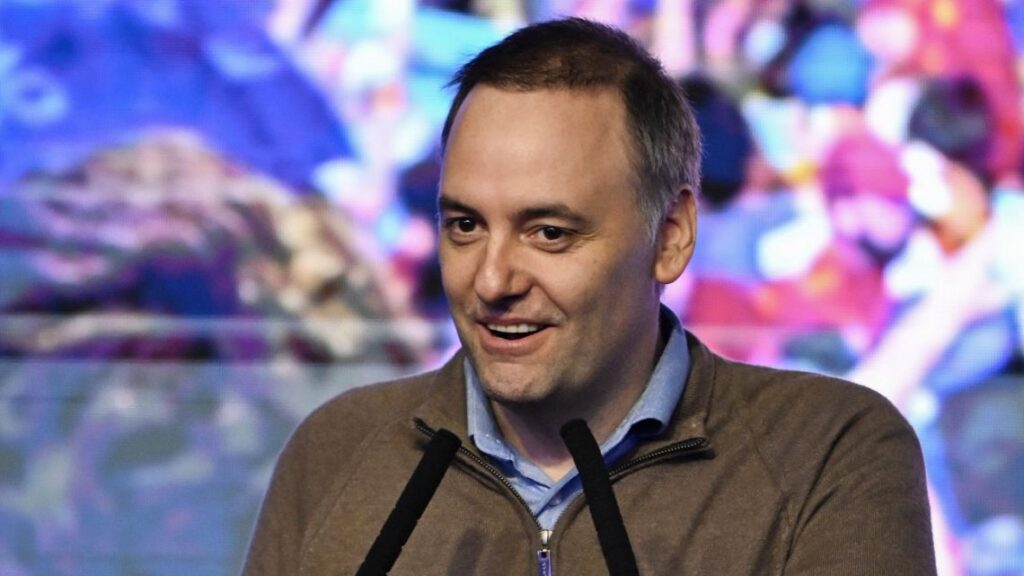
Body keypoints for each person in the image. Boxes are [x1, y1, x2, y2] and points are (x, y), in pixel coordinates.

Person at [242, 18, 936, 575]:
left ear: (670, 237)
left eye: (549, 232)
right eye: (465, 226)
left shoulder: (826, 453)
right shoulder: (338, 453)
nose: (492, 281)